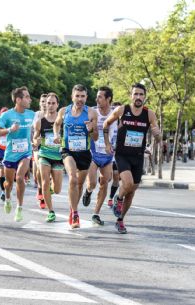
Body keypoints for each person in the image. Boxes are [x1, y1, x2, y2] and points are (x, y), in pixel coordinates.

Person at [103, 83, 161, 234]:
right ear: (131, 96)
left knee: (132, 191)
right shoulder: (122, 110)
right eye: (135, 94)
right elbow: (106, 123)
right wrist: (107, 143)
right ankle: (118, 198)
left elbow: (158, 136)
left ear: (145, 97)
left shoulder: (149, 114)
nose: (138, 97)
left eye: (141, 94)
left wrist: (157, 135)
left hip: (138, 156)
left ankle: (120, 220)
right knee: (127, 184)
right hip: (122, 154)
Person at [53, 84, 98, 229]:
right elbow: (56, 124)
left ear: (86, 97)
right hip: (68, 150)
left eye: (83, 96)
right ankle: (75, 214)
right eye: (77, 96)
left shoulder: (91, 113)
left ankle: (73, 208)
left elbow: (96, 137)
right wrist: (56, 134)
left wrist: (91, 130)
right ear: (72, 97)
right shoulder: (63, 111)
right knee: (72, 178)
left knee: (79, 184)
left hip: (84, 153)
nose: (80, 99)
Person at [0, 86, 35, 222]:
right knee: (8, 183)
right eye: (27, 97)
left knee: (20, 177)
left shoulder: (32, 114)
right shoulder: (7, 115)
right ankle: (7, 198)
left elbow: (36, 130)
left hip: (26, 152)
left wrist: (35, 139)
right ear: (18, 99)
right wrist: (10, 129)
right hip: (11, 153)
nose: (30, 99)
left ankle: (19, 208)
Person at [82, 87, 117, 225]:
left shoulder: (115, 114)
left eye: (100, 97)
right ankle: (88, 191)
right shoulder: (92, 112)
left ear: (108, 99)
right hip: (93, 153)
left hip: (108, 155)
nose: (97, 99)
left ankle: (96, 213)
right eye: (97, 96)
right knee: (92, 183)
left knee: (104, 183)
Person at [33, 92, 63, 222]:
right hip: (44, 154)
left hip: (58, 156)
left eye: (53, 103)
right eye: (48, 103)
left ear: (57, 105)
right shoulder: (40, 122)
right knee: (44, 182)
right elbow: (34, 138)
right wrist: (36, 141)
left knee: (57, 190)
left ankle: (51, 189)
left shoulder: (61, 121)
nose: (50, 105)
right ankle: (51, 211)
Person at [33, 94, 47, 206]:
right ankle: (40, 188)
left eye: (46, 101)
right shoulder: (37, 115)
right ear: (40, 103)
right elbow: (33, 130)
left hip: (51, 147)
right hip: (38, 145)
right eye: (42, 101)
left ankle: (45, 187)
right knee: (39, 169)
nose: (44, 103)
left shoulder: (54, 115)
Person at [0, 107, 9, 201]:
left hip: (10, 151)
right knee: (1, 171)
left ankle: (8, 188)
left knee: (9, 172)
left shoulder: (11, 124)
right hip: (0, 151)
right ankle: (3, 192)